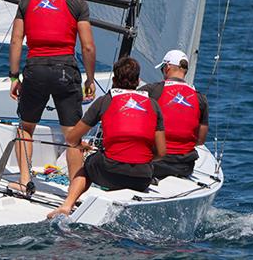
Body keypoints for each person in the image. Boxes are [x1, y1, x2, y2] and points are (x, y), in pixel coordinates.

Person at [9, 0, 96, 194]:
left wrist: (15, 76)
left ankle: (25, 181)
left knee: (26, 128)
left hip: (34, 70)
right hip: (65, 71)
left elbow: (16, 42)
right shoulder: (77, 2)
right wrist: (90, 78)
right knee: (73, 136)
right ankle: (73, 193)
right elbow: (88, 46)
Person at [49, 57, 166, 217]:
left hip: (109, 173)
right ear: (138, 81)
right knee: (116, 163)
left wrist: (80, 145)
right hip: (142, 177)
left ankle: (67, 205)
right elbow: (161, 152)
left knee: (88, 165)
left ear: (114, 79)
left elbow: (71, 138)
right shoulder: (154, 105)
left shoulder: (105, 101)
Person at [139, 49, 209, 179]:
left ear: (167, 67)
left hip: (154, 164)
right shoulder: (201, 99)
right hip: (184, 167)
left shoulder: (152, 90)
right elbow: (200, 140)